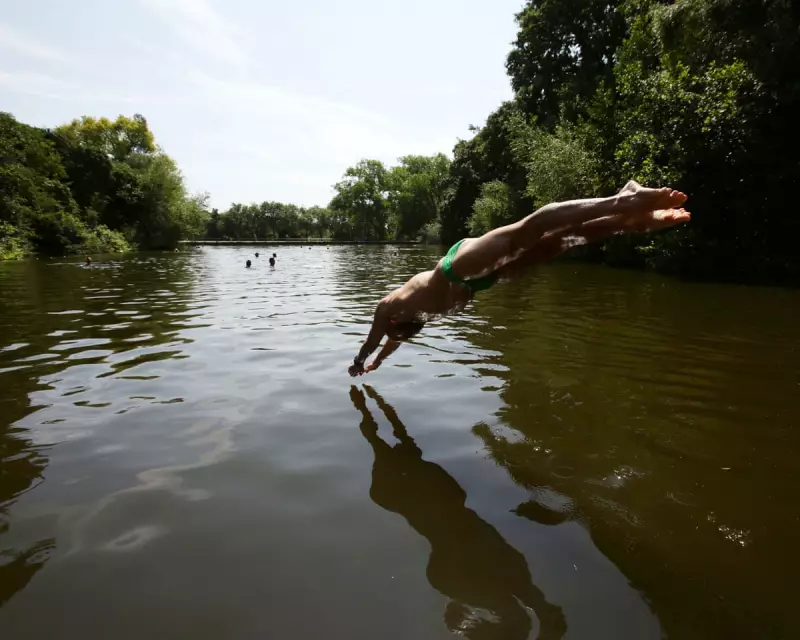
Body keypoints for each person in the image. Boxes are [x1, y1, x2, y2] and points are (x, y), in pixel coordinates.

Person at [349, 181, 690, 376]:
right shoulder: (407, 324)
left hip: (456, 268)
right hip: (481, 282)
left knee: (529, 231)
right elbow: (391, 343)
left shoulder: (387, 307)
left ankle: (624, 200)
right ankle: (626, 221)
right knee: (558, 244)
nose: (394, 335)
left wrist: (360, 361)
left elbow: (372, 340)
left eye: (393, 332)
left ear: (393, 320)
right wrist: (379, 362)